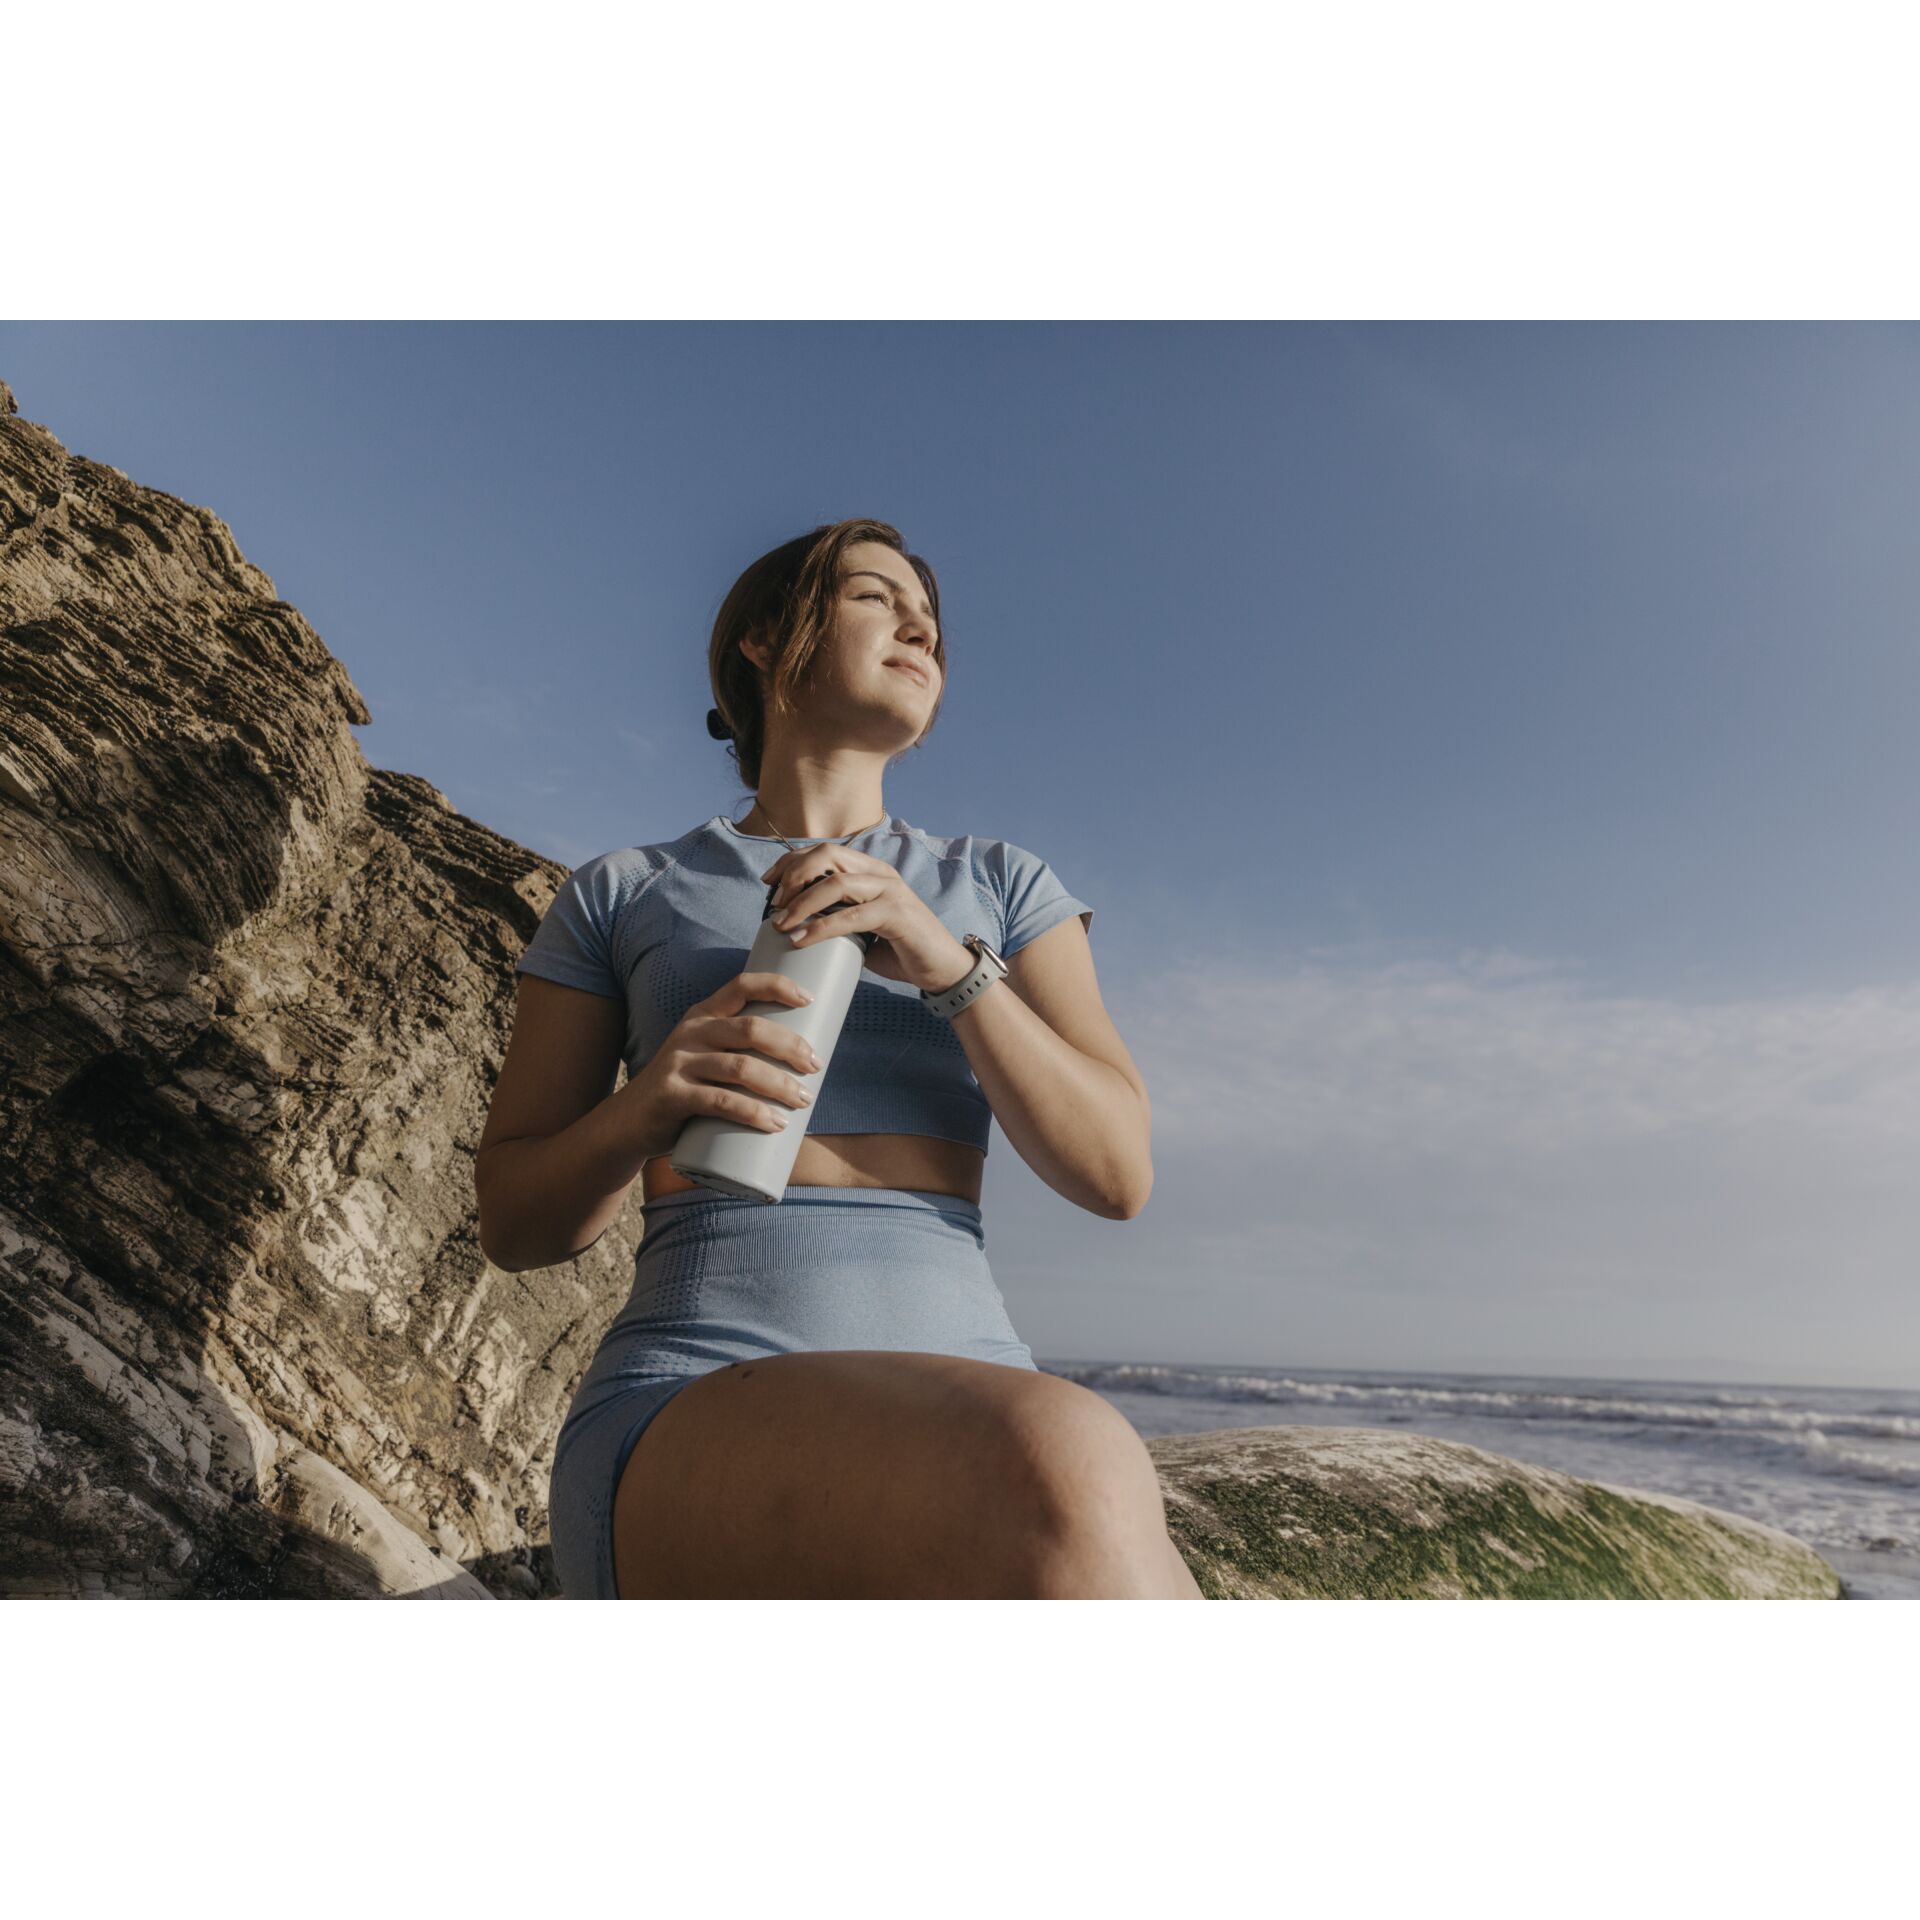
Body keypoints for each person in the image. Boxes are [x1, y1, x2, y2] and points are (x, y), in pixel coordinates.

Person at [477, 517, 1202, 1598]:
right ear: (766, 639)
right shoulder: (624, 891)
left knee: (1082, 1480)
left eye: (931, 619)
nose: (921, 628)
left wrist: (946, 961)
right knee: (1071, 1455)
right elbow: (516, 1225)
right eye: (875, 596)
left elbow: (1116, 1174)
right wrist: (646, 1107)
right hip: (695, 1385)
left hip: (981, 1389)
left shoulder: (998, 885)